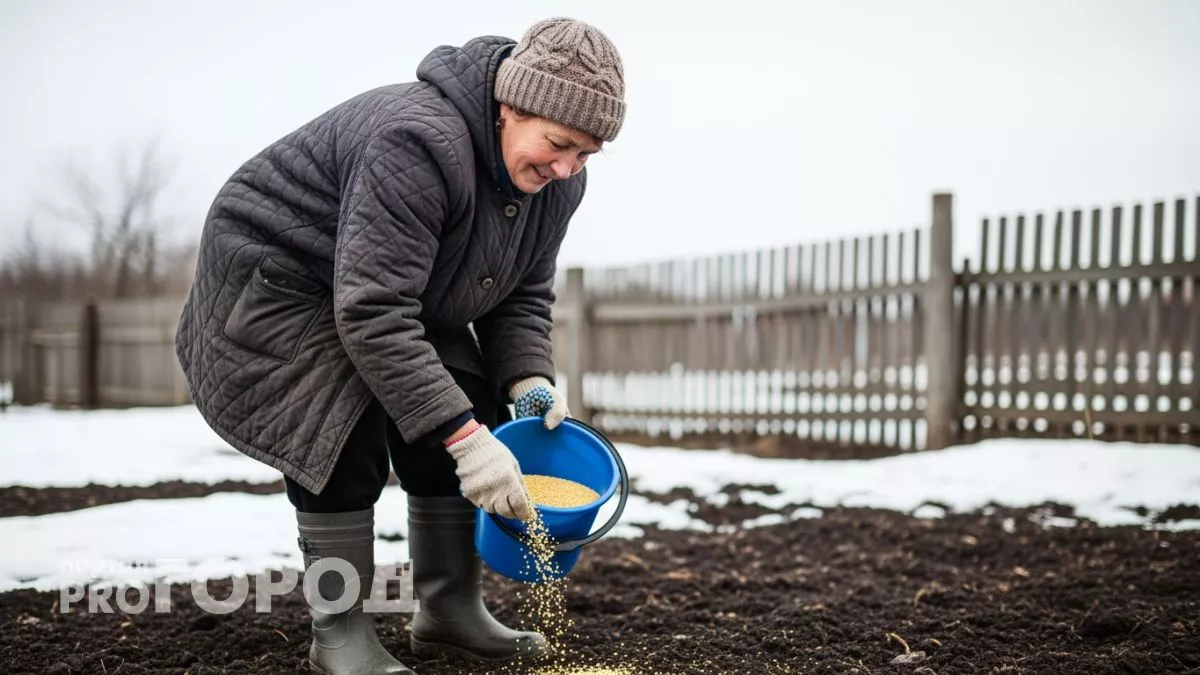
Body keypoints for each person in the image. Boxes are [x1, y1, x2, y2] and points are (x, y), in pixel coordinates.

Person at [174, 17, 625, 674]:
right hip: (280, 280)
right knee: (338, 434)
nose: (565, 167)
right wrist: (468, 441)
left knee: (467, 399)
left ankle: (449, 612)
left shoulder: (556, 185)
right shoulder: (416, 143)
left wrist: (528, 381)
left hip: (386, 289)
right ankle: (340, 632)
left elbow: (523, 293)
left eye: (585, 153)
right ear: (510, 106)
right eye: (558, 143)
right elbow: (374, 312)